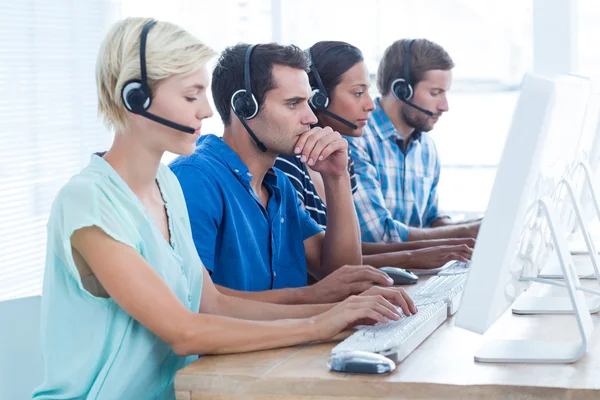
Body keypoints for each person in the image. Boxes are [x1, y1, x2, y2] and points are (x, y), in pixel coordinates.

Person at [33, 18, 415, 400]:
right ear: (135, 98)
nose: (204, 111)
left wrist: (344, 315)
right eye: (190, 96)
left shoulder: (165, 187)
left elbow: (212, 303)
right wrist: (322, 322)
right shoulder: (90, 200)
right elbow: (184, 330)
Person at [170, 43, 406, 304]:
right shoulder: (195, 179)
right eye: (293, 104)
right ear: (244, 106)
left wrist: (336, 178)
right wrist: (309, 297)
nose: (312, 118)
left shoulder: (279, 186)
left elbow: (342, 277)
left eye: (308, 102)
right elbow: (193, 300)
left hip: (293, 343)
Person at [274, 41, 473, 270]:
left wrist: (439, 248)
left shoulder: (339, 161)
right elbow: (328, 265)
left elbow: (351, 252)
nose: (370, 104)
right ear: (318, 99)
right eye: (358, 93)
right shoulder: (287, 167)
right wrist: (412, 256)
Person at [347, 38, 481, 243]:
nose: (445, 106)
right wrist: (466, 231)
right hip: (376, 273)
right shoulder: (357, 140)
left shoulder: (426, 148)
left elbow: (431, 221)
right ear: (402, 90)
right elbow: (379, 235)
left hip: (418, 272)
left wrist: (481, 226)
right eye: (435, 93)